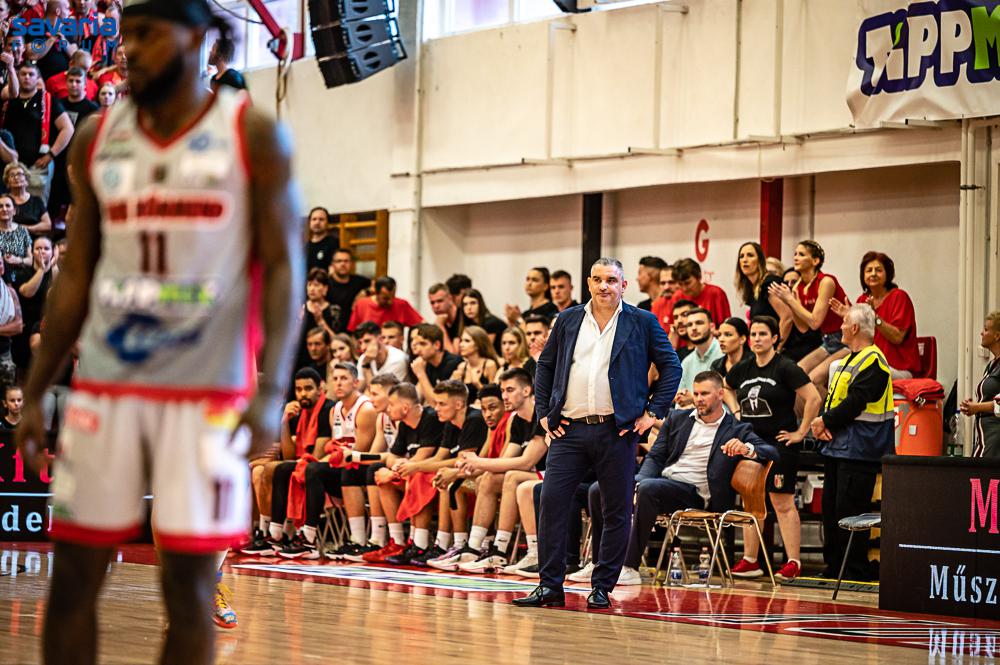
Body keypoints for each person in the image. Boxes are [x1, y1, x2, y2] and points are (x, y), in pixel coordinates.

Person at [15, 2, 304, 661]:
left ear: (198, 37)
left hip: (207, 393)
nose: (129, 50)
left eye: (148, 34)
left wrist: (271, 391)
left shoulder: (253, 134)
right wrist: (36, 389)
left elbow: (284, 268)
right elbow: (76, 273)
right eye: (126, 36)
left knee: (190, 592)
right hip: (107, 386)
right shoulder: (96, 136)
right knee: (71, 581)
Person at [514, 257, 681, 611]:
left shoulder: (642, 321)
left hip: (616, 430)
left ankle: (603, 586)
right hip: (569, 429)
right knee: (551, 503)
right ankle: (549, 585)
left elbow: (671, 367)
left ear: (624, 285)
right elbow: (545, 366)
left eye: (611, 280)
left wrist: (652, 413)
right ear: (589, 283)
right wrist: (544, 414)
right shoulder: (568, 319)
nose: (604, 286)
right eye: (597, 279)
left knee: (616, 509)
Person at [608, 371, 776, 585]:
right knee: (601, 489)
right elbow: (656, 457)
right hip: (664, 483)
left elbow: (771, 452)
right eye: (696, 394)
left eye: (705, 393)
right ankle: (599, 563)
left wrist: (746, 448)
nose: (699, 399)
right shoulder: (678, 419)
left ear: (720, 394)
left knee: (649, 489)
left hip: (696, 494)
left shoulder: (736, 428)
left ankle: (629, 567)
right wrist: (638, 481)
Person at [725, 316, 821, 581]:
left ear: (775, 338)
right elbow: (726, 386)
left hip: (780, 443)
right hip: (752, 443)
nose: (757, 339)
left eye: (763, 334)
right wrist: (736, 411)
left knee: (781, 500)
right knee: (751, 499)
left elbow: (813, 398)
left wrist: (801, 432)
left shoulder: (785, 367)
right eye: (753, 334)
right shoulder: (744, 367)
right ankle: (750, 560)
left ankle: (793, 562)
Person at [810, 304, 894, 582]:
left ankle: (854, 570)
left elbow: (856, 401)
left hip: (861, 448)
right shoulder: (849, 359)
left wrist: (824, 421)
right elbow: (836, 399)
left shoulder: (874, 361)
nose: (841, 327)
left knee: (851, 512)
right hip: (839, 445)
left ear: (855, 328)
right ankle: (835, 567)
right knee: (832, 511)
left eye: (844, 322)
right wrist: (824, 423)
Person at [769, 240, 850, 395]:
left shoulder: (826, 281)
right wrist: (790, 302)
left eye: (801, 254)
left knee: (812, 380)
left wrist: (790, 300)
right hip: (828, 340)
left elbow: (815, 322)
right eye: (795, 254)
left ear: (815, 260)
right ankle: (811, 410)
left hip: (846, 340)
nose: (795, 258)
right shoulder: (798, 287)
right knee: (796, 375)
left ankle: (827, 410)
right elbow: (803, 328)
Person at [831, 252, 920, 379]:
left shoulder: (899, 297)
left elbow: (897, 337)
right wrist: (849, 318)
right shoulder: (862, 300)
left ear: (888, 274)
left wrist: (874, 317)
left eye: (878, 270)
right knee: (835, 366)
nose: (873, 274)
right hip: (871, 363)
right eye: (869, 270)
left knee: (865, 370)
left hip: (899, 369)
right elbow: (857, 340)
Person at [2, 62, 74, 205]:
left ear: (38, 79)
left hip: (37, 167)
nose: (27, 77)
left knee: (36, 210)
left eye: (31, 74)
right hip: (9, 167)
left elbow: (68, 128)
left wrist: (51, 154)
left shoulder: (49, 101)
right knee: (8, 210)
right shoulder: (9, 100)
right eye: (23, 74)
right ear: (17, 77)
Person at [965, 311, 1000, 457]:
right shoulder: (992, 365)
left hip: (995, 438)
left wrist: (977, 407)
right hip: (984, 436)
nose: (981, 333)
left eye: (986, 329)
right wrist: (973, 405)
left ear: (997, 336)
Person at [664, 258, 731, 332]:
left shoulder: (716, 293)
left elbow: (726, 328)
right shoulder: (677, 297)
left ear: (699, 277)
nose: (684, 288)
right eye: (680, 284)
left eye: (687, 283)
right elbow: (672, 327)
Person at [674, 308, 723, 407]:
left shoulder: (723, 354)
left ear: (712, 327)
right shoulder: (687, 362)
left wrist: (693, 400)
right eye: (689, 325)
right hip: (690, 414)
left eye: (699, 323)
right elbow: (679, 399)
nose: (693, 328)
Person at [735, 241, 789, 325]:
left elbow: (787, 317)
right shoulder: (752, 288)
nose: (745, 260)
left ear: (760, 261)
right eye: (741, 256)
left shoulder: (769, 283)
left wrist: (780, 335)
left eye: (750, 255)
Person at [347, 275, 422, 332]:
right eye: (385, 298)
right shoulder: (362, 304)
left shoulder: (401, 305)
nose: (390, 301)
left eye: (393, 297)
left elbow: (421, 325)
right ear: (376, 293)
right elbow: (352, 331)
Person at [409, 322, 462, 400]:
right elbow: (415, 399)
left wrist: (421, 374)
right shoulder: (426, 363)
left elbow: (439, 402)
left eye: (423, 344)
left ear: (437, 345)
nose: (418, 350)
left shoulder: (454, 364)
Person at [450, 325, 499, 404]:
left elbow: (493, 397)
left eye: (467, 341)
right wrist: (453, 384)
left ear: (477, 344)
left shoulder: (489, 365)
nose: (461, 344)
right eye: (461, 340)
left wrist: (477, 383)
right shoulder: (462, 366)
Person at [327, 247, 370, 332]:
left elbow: (376, 286)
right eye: (339, 261)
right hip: (332, 331)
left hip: (355, 330)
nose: (343, 264)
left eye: (346, 261)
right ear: (332, 264)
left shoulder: (360, 281)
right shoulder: (326, 284)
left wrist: (365, 292)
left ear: (352, 263)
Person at [3, 162, 51, 236]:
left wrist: (26, 229)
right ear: (7, 183)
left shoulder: (36, 201)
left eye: (19, 174)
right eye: (12, 175)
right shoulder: (3, 201)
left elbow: (47, 225)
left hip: (33, 239)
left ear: (26, 180)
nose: (16, 177)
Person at [460, 287, 507, 354]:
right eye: (465, 304)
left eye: (473, 303)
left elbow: (484, 350)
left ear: (480, 304)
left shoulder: (491, 323)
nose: (469, 307)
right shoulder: (469, 324)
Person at [0, 256, 23, 385]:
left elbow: (18, 326)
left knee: (8, 392)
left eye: (0, 263)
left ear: (3, 269)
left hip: (4, 353)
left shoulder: (10, 292)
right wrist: (6, 328)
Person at [0, 192, 32, 277]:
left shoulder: (22, 230)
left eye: (8, 206)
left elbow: (30, 260)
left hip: (21, 275)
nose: (4, 209)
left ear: (14, 211)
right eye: (0, 206)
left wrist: (19, 260)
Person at [428, 282, 462, 353]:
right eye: (432, 303)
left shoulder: (463, 318)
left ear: (450, 299)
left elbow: (453, 355)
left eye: (440, 301)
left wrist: (440, 326)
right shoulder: (439, 321)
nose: (436, 306)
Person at [305, 206, 336, 272]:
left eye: (321, 219)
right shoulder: (305, 247)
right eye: (314, 219)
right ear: (309, 222)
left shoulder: (334, 243)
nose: (317, 222)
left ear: (327, 222)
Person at [650, 262, 676, 332]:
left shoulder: (688, 301)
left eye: (671, 282)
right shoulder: (657, 305)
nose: (666, 287)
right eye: (663, 283)